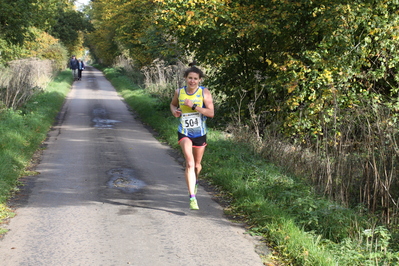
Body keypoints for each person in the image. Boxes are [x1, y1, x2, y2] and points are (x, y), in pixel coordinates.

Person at [170, 62, 214, 210]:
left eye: (195, 78)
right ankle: (192, 198)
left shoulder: (204, 92)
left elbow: (211, 113)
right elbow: (172, 104)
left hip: (200, 133)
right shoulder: (179, 92)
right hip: (185, 132)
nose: (192, 81)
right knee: (189, 163)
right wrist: (175, 111)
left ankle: (194, 182)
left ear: (200, 80)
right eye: (190, 78)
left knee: (196, 165)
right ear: (185, 78)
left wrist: (194, 106)